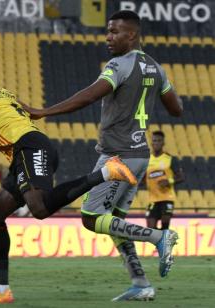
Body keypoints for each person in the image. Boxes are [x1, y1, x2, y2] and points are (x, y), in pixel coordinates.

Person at [26, 10, 183, 301]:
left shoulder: (118, 65)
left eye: (115, 32)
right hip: (140, 156)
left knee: (90, 217)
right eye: (108, 31)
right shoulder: (156, 68)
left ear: (132, 35)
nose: (108, 37)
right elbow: (177, 109)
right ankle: (140, 283)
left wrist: (43, 111)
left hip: (117, 157)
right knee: (116, 223)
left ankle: (160, 237)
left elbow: (89, 95)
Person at [0, 62, 137, 304]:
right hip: (25, 152)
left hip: (29, 147)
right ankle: (0, 290)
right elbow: (27, 110)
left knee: (39, 208)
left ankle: (106, 172)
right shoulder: (3, 94)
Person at [145, 131, 184, 230]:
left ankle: (163, 241)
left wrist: (168, 181)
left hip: (167, 198)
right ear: (151, 143)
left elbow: (181, 177)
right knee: (150, 228)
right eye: (154, 141)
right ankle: (163, 240)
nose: (156, 143)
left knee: (165, 222)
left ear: (163, 143)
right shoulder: (147, 160)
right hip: (153, 199)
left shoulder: (169, 159)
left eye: (159, 141)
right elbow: (142, 178)